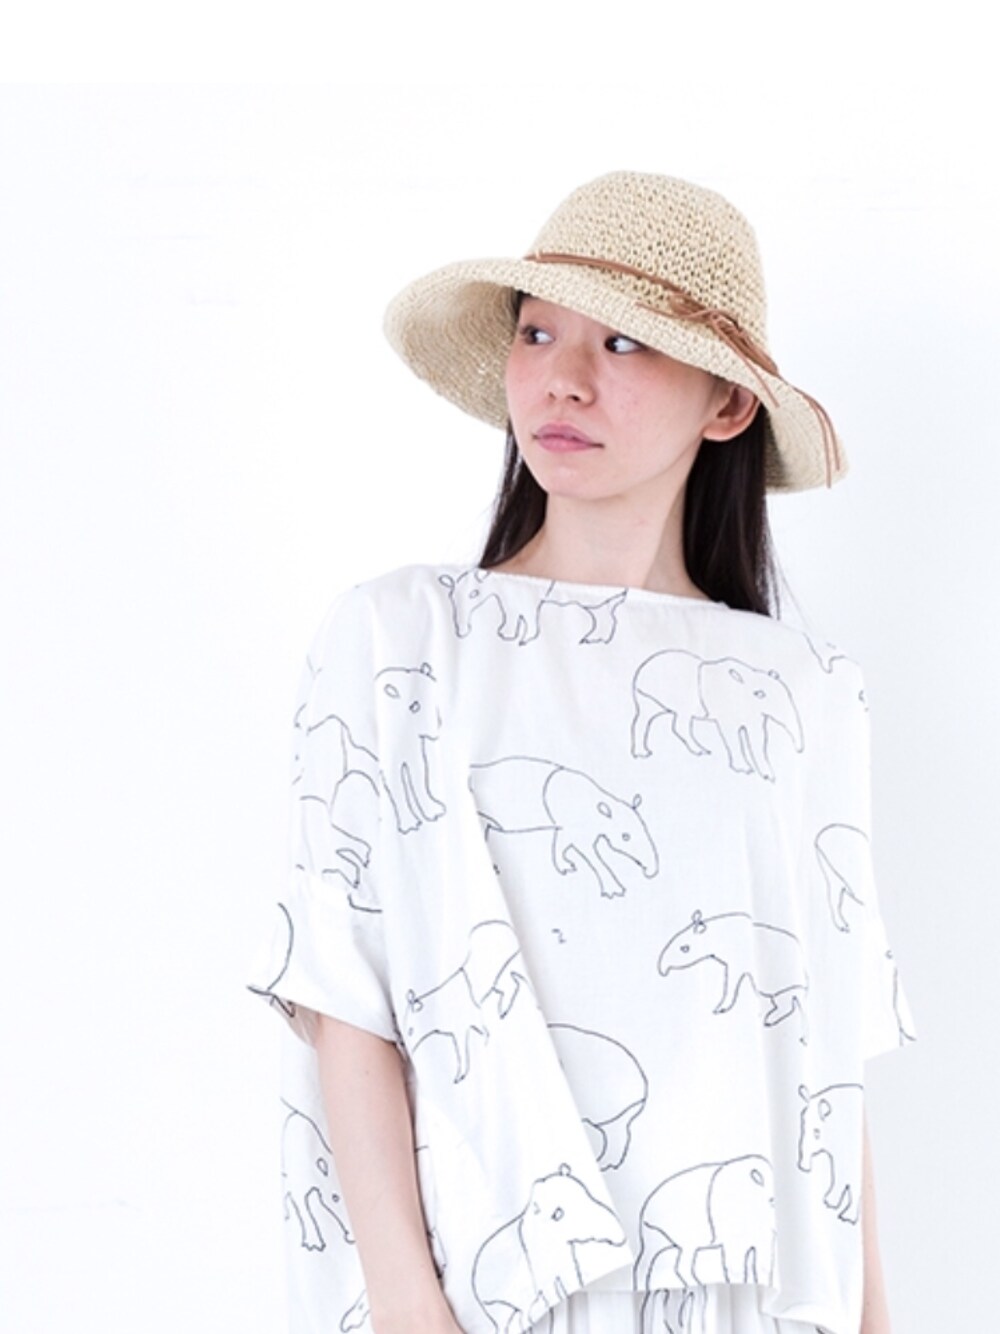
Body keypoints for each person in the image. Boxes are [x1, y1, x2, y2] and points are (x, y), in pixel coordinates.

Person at [252, 172, 914, 1334]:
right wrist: (408, 1304)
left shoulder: (802, 692)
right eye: (536, 332)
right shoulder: (403, 640)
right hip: (486, 1285)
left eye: (621, 341)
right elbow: (341, 990)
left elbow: (822, 1049)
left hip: (748, 1296)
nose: (562, 377)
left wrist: (873, 1316)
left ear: (725, 405)